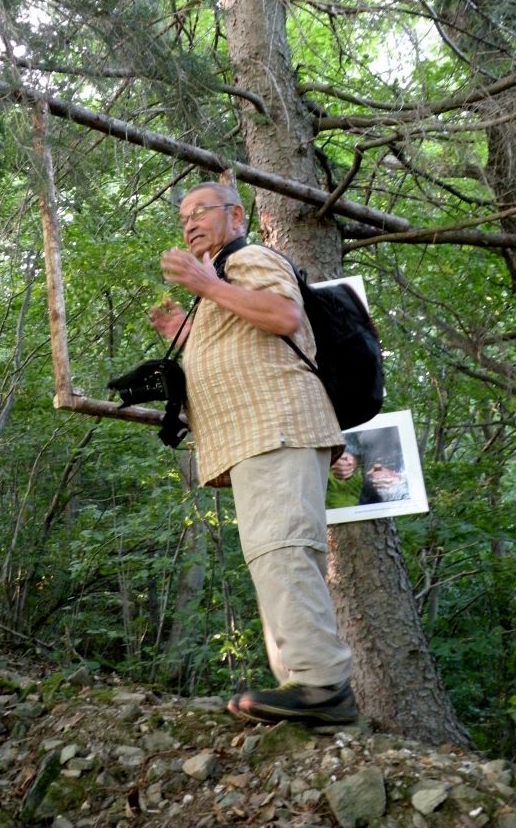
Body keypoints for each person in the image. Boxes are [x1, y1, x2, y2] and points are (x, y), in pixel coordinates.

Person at [149, 181, 356, 726]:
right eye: (183, 216)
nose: (190, 222)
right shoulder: (220, 278)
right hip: (255, 437)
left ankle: (322, 686)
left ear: (236, 215)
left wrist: (205, 284)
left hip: (277, 427)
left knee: (283, 546)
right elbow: (242, 343)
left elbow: (283, 316)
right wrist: (185, 331)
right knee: (274, 552)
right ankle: (302, 685)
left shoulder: (250, 256)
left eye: (201, 211)